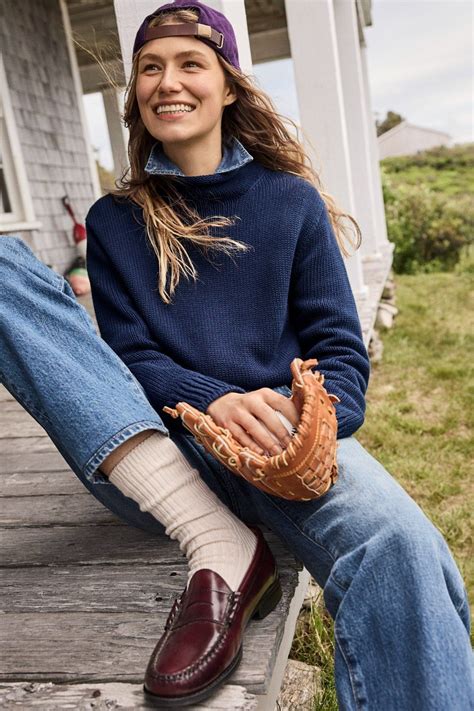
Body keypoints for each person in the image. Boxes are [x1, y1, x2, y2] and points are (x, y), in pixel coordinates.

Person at [0, 1, 472, 708]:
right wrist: (212, 400)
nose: (168, 82)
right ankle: (217, 539)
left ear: (229, 85)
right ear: (135, 96)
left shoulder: (290, 203)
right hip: (160, 451)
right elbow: (128, 359)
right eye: (150, 68)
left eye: (191, 63)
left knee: (404, 547)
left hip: (282, 451)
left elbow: (340, 353)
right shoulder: (116, 220)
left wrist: (301, 418)